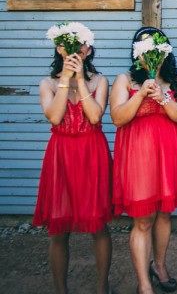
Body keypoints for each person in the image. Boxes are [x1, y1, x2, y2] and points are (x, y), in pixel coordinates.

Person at [110, 27, 177, 294]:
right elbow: (118, 117)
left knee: (164, 214)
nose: (150, 55)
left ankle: (159, 265)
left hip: (168, 154)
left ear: (164, 52)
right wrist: (143, 94)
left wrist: (164, 97)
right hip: (137, 157)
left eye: (155, 50)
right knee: (143, 219)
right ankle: (144, 284)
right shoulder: (125, 80)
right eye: (144, 50)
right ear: (137, 54)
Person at [33, 30, 113, 294]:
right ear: (59, 50)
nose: (75, 53)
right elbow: (55, 118)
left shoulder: (100, 81)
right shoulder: (48, 83)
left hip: (92, 152)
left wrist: (80, 78)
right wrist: (65, 79)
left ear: (88, 50)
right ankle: (61, 290)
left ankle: (102, 287)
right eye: (69, 49)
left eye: (81, 48)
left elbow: (93, 116)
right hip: (61, 154)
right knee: (59, 229)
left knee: (98, 226)